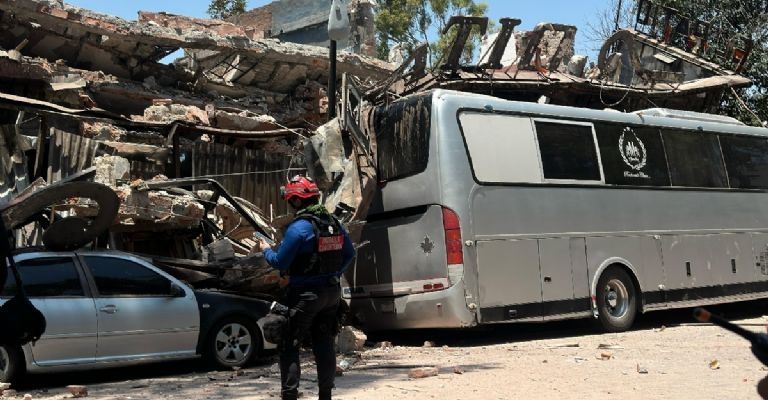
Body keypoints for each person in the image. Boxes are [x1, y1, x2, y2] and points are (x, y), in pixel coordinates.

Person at [258, 175, 355, 400]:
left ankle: (290, 395)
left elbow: (280, 262)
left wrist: (265, 249)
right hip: (331, 294)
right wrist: (333, 274)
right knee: (324, 343)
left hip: (305, 296)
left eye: (290, 200)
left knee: (290, 344)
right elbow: (350, 254)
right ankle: (325, 396)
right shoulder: (334, 224)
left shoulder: (299, 228)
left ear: (296, 201)